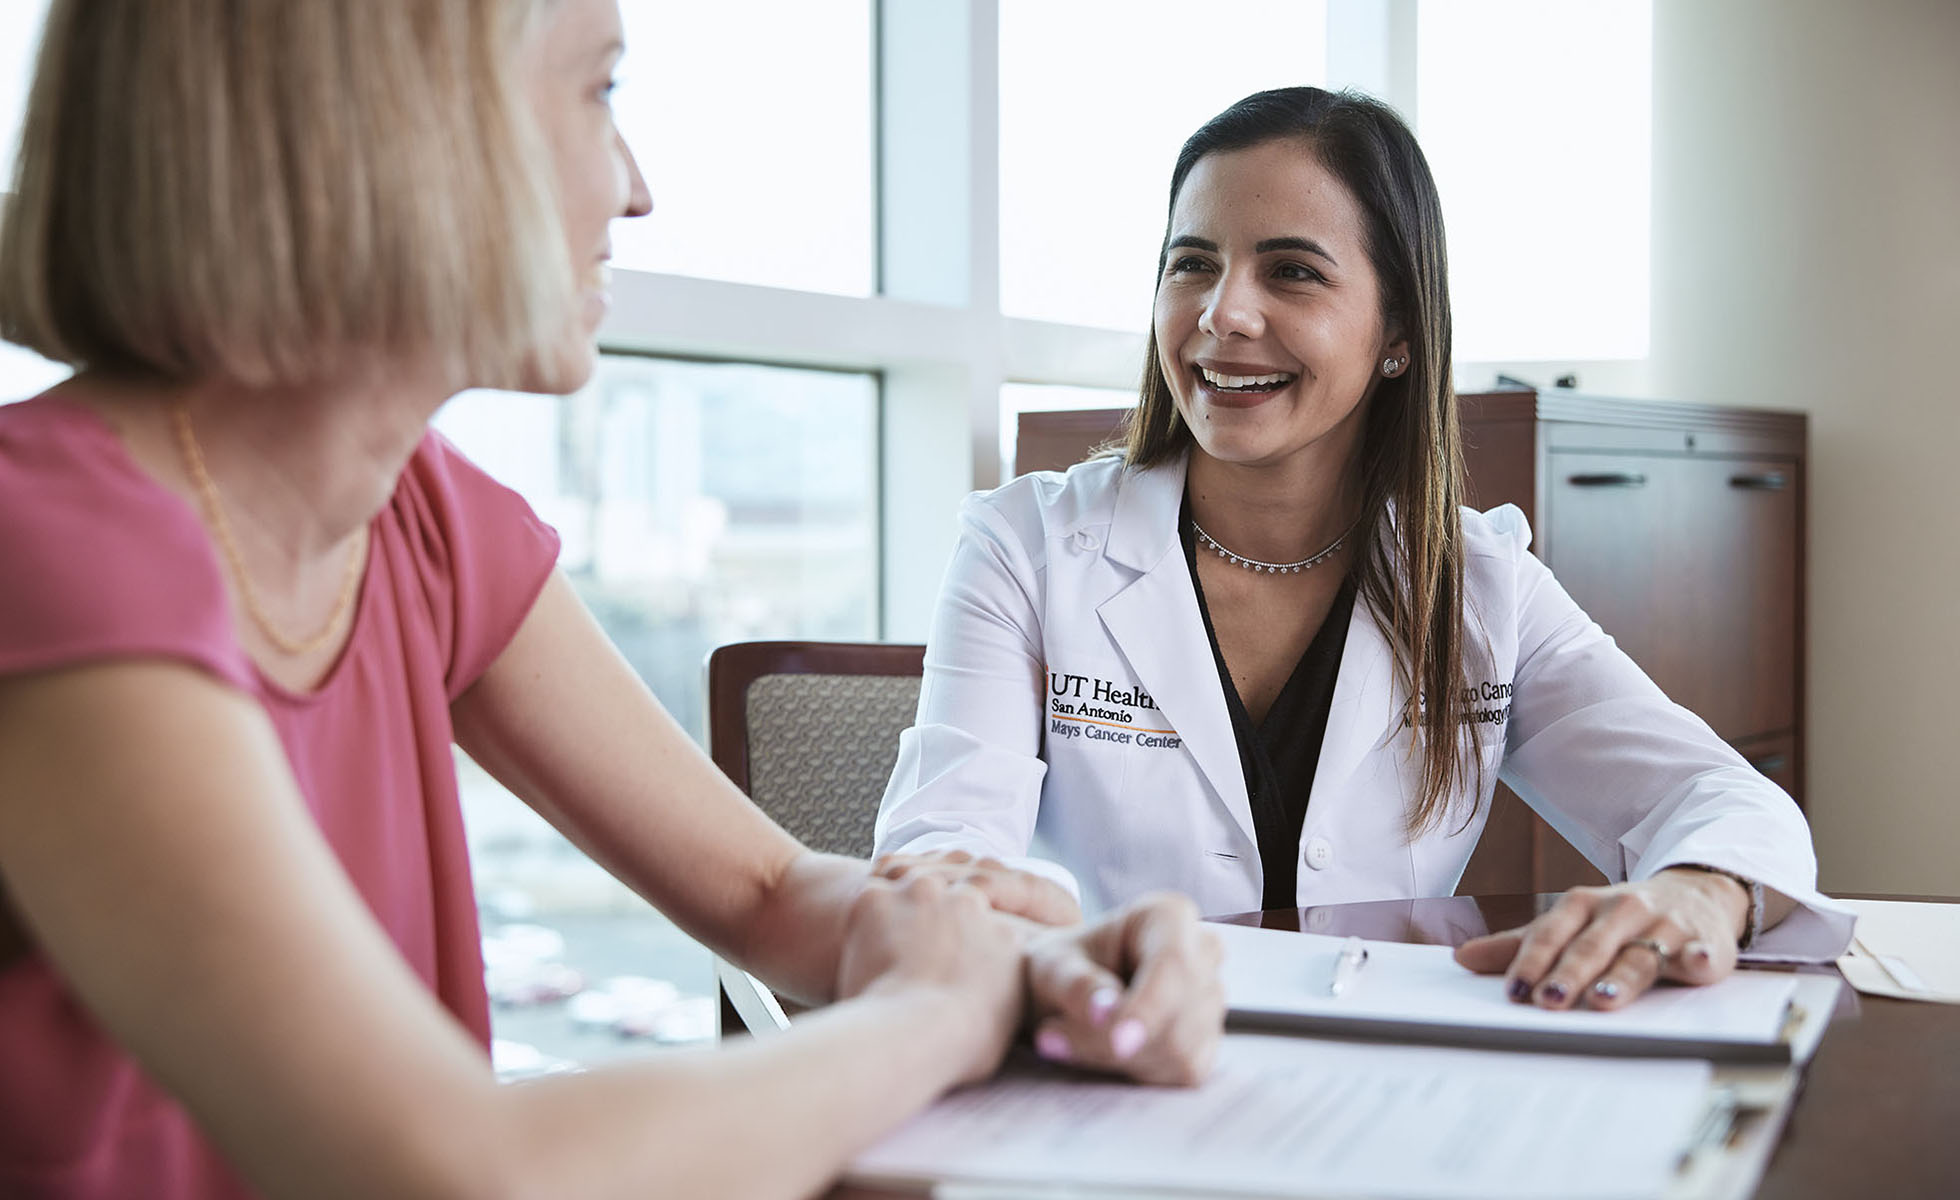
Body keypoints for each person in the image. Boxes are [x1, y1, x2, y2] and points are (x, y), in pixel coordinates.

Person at [0, 2, 1224, 1196]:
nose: (634, 187)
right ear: (395, 125)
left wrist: (1040, 965)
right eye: (601, 92)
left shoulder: (421, 517)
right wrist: (936, 1017)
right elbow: (448, 1169)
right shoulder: (48, 553)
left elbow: (766, 891)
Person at [874, 86, 1852, 1014]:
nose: (1223, 314)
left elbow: (1709, 792)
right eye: (1192, 263)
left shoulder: (1478, 583)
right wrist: (975, 917)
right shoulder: (1028, 546)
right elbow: (946, 839)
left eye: (1290, 270)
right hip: (1111, 1052)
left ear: (1398, 333)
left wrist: (1705, 888)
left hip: (1379, 1077)